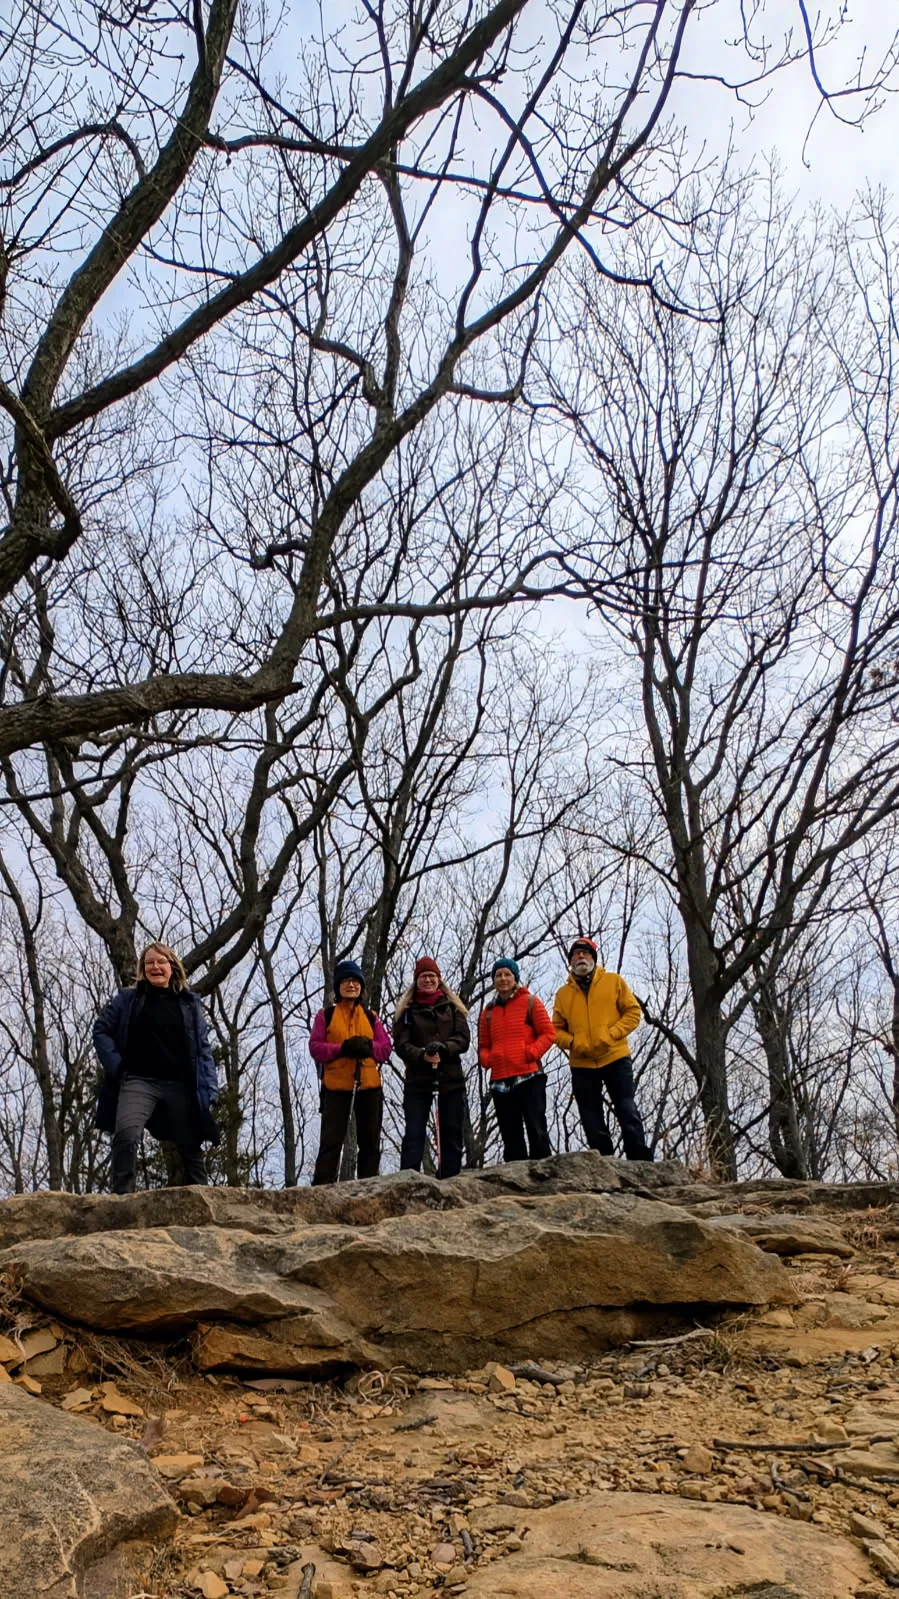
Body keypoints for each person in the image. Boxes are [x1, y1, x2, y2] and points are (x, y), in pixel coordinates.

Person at [93, 941, 220, 1194]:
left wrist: (209, 1088)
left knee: (191, 1145)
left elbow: (203, 1050)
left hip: (179, 1085)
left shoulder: (189, 1004)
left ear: (172, 967)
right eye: (149, 962)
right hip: (138, 1081)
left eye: (161, 961)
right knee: (126, 1135)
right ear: (142, 969)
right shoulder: (127, 1000)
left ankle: (206, 1198)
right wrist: (116, 1065)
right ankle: (122, 1198)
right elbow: (101, 1030)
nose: (155, 967)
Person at [553, 936, 653, 1161]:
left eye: (585, 953)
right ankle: (603, 1161)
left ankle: (639, 1158)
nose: (580, 957)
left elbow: (633, 1013)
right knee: (590, 1114)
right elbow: (556, 1030)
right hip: (582, 1062)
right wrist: (572, 1043)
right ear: (570, 961)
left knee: (626, 1107)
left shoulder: (613, 981)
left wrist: (611, 1035)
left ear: (593, 958)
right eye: (576, 954)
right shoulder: (563, 994)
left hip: (615, 1056)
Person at [309, 959, 392, 1185]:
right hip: (336, 1087)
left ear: (362, 987)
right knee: (331, 1144)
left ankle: (370, 1189)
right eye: (346, 981)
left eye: (355, 981)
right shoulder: (325, 1016)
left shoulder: (371, 1016)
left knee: (370, 1144)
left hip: (369, 1086)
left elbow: (385, 1048)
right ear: (337, 987)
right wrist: (343, 1048)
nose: (351, 985)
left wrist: (368, 1046)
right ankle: (321, 1193)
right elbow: (315, 1047)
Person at [394, 955, 471, 1179]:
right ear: (417, 980)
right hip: (418, 1081)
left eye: (432, 976)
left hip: (451, 1079)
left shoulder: (453, 1007)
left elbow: (463, 1039)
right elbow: (401, 1044)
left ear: (439, 979)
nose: (428, 980)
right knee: (414, 1134)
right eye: (423, 976)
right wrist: (422, 1055)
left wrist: (444, 1049)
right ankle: (407, 1181)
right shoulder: (406, 1011)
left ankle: (450, 1178)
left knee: (452, 1133)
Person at [478, 957, 555, 1163]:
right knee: (510, 1133)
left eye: (507, 974)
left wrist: (531, 1052)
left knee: (536, 1127)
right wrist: (488, 1060)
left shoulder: (530, 1001)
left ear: (515, 978)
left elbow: (549, 1033)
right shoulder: (488, 1012)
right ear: (493, 980)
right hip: (500, 1079)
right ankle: (515, 1181)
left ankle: (544, 1176)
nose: (503, 979)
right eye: (498, 975)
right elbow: (483, 1045)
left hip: (529, 1075)